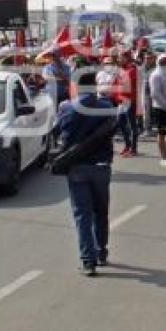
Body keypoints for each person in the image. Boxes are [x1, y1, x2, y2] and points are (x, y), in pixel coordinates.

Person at [57, 70, 118, 276]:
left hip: (77, 167)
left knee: (82, 215)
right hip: (101, 166)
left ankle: (88, 261)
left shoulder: (66, 108)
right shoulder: (107, 107)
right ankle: (101, 253)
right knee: (101, 211)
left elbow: (62, 137)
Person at [149, 55, 166, 167]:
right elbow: (155, 94)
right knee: (162, 132)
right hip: (161, 108)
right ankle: (163, 157)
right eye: (163, 62)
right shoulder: (155, 75)